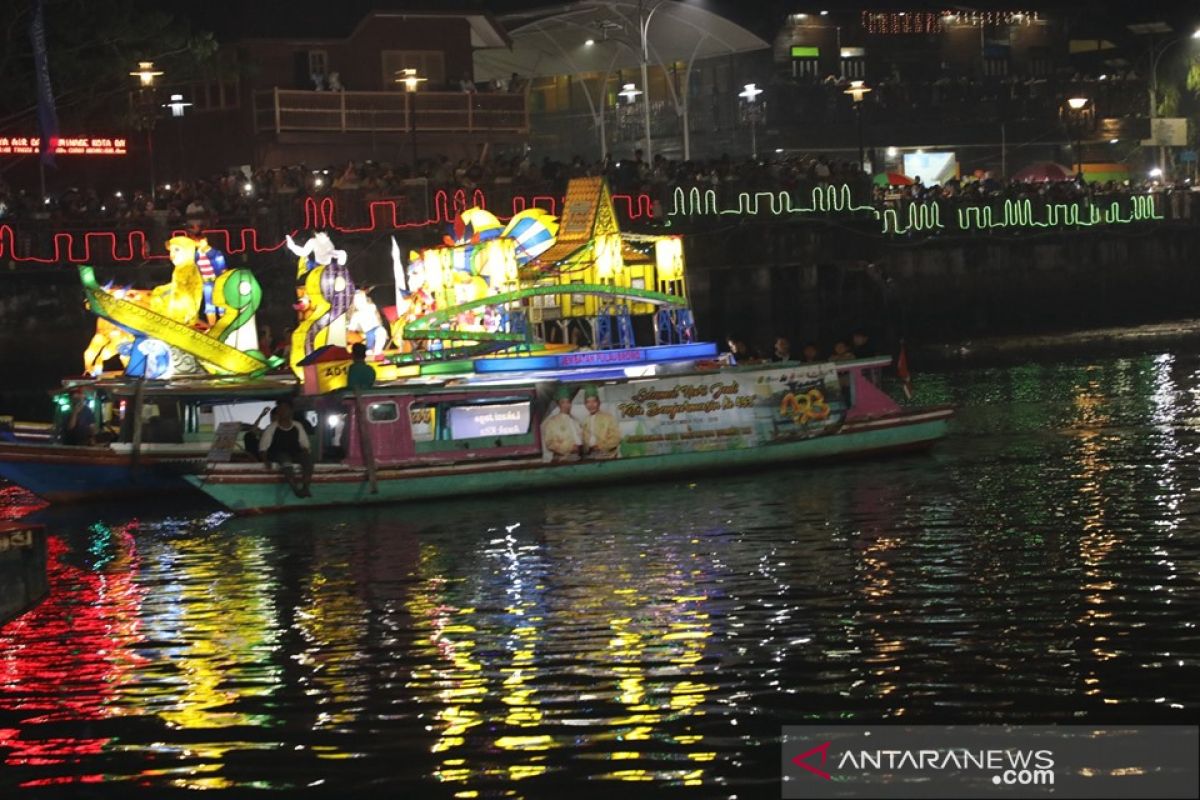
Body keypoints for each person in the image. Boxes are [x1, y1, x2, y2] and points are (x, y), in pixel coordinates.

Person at [259, 399, 313, 497]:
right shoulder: (272, 427)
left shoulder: (297, 426)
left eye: (285, 408)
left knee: (308, 460)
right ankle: (295, 489)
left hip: (294, 453)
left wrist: (305, 455)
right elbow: (263, 447)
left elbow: (305, 445)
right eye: (280, 408)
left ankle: (305, 488)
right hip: (278, 454)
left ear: (291, 411)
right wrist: (265, 461)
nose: (282, 411)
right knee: (285, 460)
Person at [541, 385, 582, 462]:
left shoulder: (576, 421)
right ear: (559, 405)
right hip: (562, 460)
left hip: (578, 458)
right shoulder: (552, 422)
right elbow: (549, 443)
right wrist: (569, 447)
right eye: (563, 402)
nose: (566, 405)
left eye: (568, 402)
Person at [580, 385, 620, 460]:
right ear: (585, 404)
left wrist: (600, 446)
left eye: (594, 401)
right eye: (588, 402)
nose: (591, 405)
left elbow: (616, 439)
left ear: (599, 402)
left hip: (606, 456)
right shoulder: (585, 421)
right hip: (590, 457)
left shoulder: (608, 417)